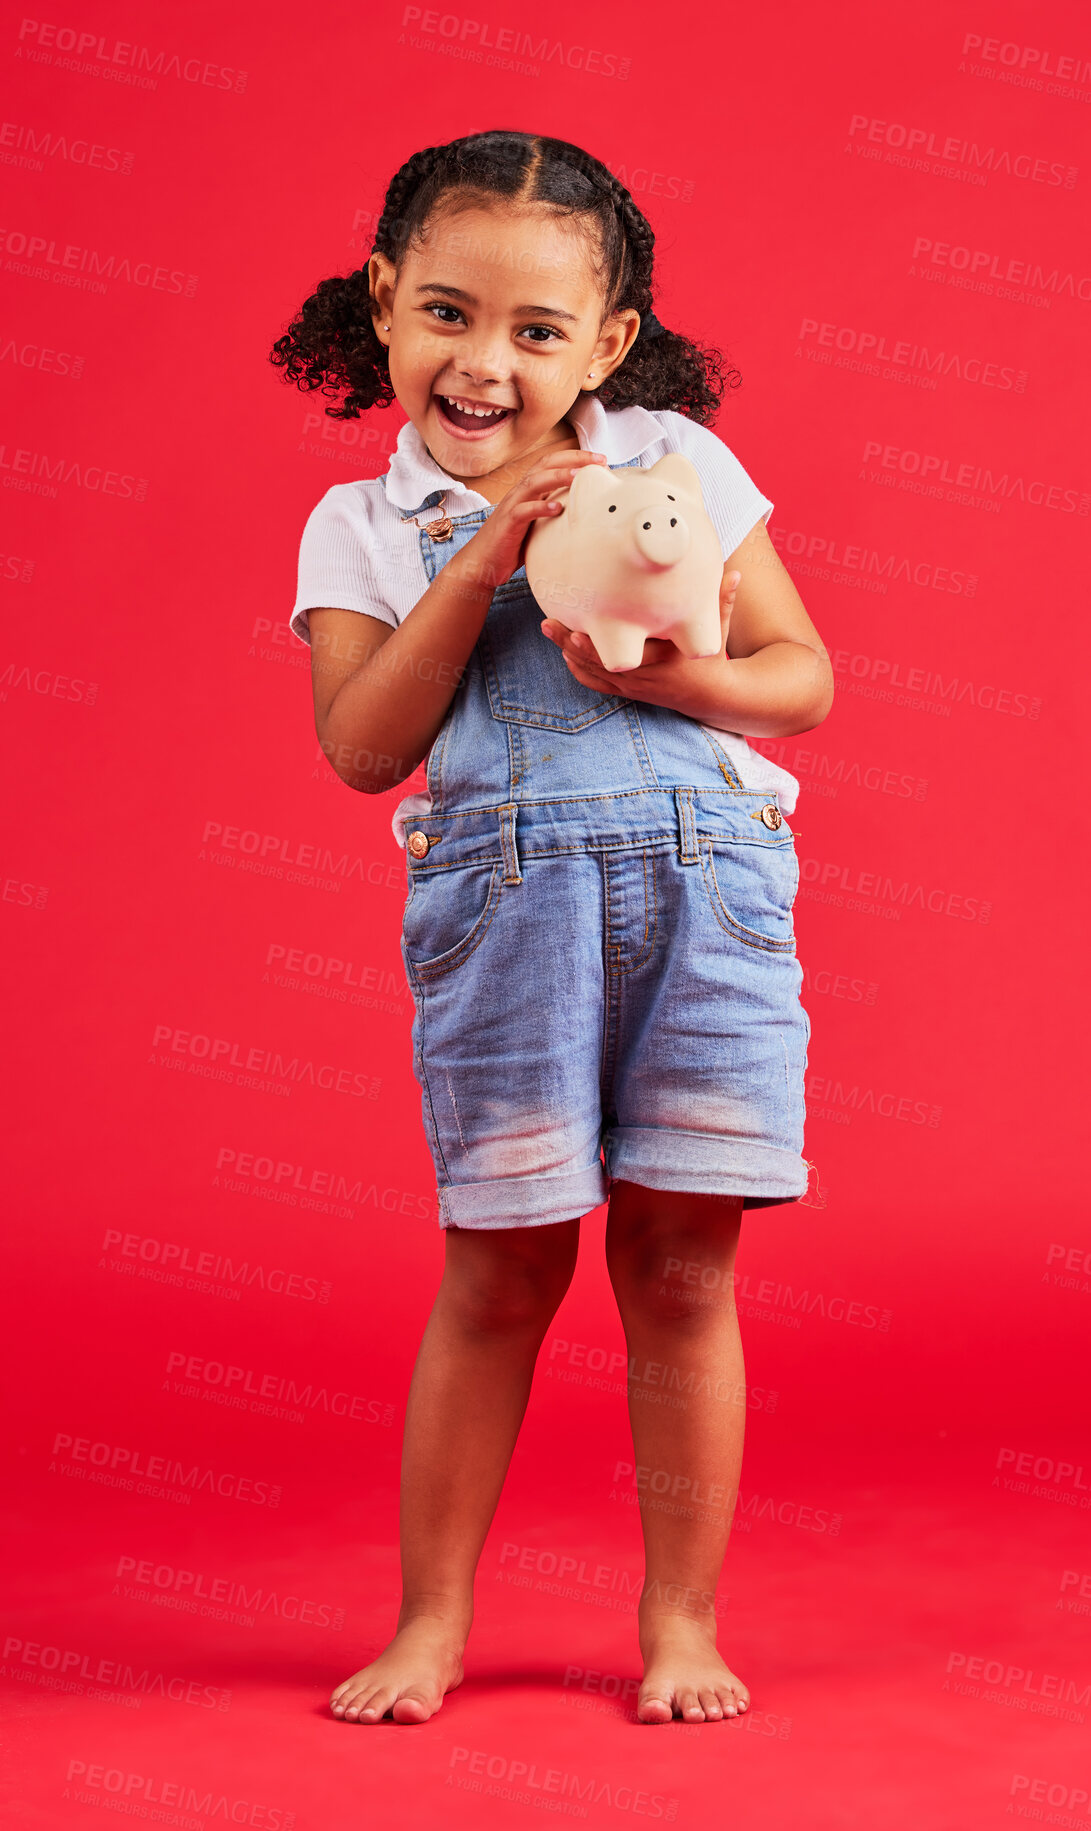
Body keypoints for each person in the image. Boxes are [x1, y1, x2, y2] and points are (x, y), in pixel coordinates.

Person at [270, 130, 833, 1728]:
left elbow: (804, 677)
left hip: (709, 895)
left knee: (681, 1269)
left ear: (609, 344)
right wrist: (485, 544)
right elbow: (365, 745)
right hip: (506, 911)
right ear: (383, 305)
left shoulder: (680, 469)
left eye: (537, 333)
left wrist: (681, 684)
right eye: (447, 313)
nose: (486, 362)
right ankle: (434, 1620)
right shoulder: (359, 525)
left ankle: (679, 1623)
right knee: (500, 1270)